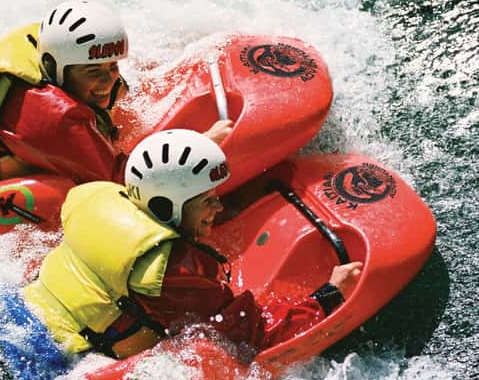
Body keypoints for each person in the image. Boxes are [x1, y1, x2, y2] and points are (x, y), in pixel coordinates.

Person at [21, 128, 363, 361]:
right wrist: (328, 296)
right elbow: (252, 333)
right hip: (47, 359)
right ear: (165, 208)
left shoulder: (103, 195)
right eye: (206, 201)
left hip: (18, 310)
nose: (218, 208)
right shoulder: (170, 270)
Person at [0, 0, 232, 188]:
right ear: (55, 66)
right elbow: (123, 180)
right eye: (93, 72)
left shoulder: (47, 43)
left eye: (113, 65)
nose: (108, 81)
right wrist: (201, 144)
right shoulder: (54, 118)